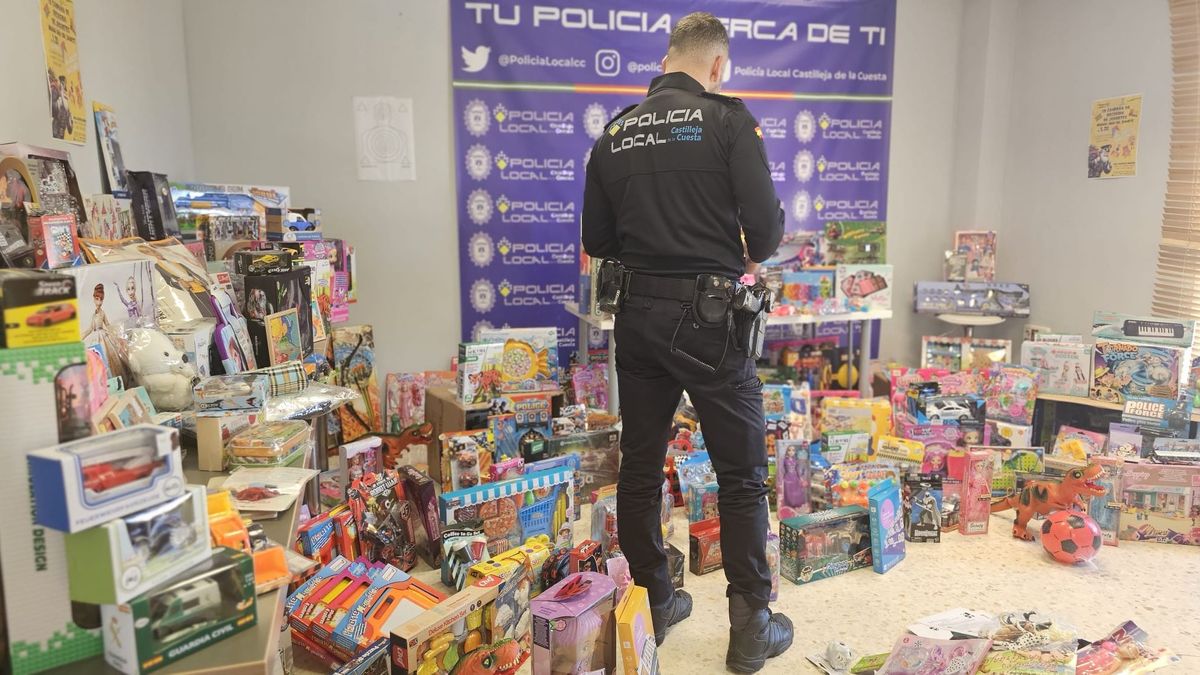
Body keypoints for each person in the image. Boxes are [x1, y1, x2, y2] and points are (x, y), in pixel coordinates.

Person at [581, 12, 789, 673]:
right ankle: (751, 624)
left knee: (639, 466)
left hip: (637, 313)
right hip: (711, 317)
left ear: (668, 59)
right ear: (718, 66)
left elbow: (599, 241)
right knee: (742, 475)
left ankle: (654, 602)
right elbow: (767, 232)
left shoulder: (614, 133)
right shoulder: (729, 121)